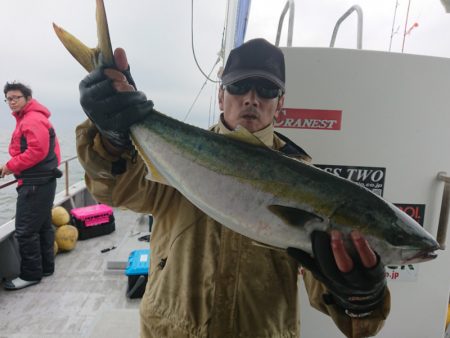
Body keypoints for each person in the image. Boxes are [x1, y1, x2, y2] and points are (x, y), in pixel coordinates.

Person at [76, 38, 390, 337]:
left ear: (280, 103)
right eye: (238, 86)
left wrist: (361, 299)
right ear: (220, 95)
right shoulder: (179, 154)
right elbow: (115, 189)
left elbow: (348, 315)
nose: (251, 98)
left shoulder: (309, 184)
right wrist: (113, 140)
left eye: (267, 89)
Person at [1, 82, 61, 290]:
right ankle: (46, 268)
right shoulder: (31, 118)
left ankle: (30, 274)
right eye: (8, 98)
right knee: (43, 227)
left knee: (25, 231)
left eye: (16, 97)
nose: (12, 101)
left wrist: (9, 166)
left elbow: (37, 152)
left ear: (27, 98)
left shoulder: (32, 119)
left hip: (35, 183)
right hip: (43, 181)